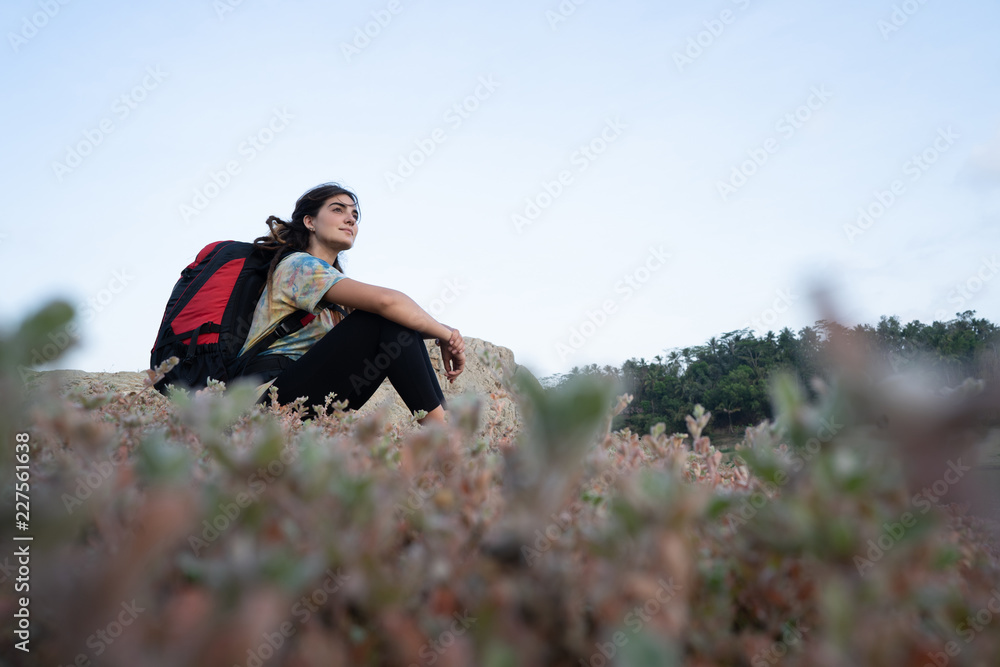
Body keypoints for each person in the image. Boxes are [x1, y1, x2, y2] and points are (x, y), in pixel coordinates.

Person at [234, 182, 465, 425]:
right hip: (265, 400)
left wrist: (445, 332)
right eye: (337, 210)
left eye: (354, 215)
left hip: (307, 399)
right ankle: (443, 438)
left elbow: (399, 320)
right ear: (309, 222)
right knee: (384, 316)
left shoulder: (333, 292)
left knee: (395, 320)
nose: (350, 220)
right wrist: (446, 335)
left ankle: (443, 429)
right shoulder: (299, 267)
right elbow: (388, 302)